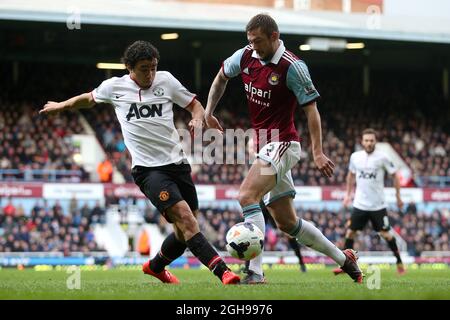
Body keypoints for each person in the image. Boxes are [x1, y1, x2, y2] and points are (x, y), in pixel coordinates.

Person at [39, 40, 240, 285]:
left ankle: (155, 267)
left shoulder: (166, 81)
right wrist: (61, 106)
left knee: (183, 230)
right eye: (144, 68)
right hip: (148, 171)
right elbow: (88, 99)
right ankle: (224, 272)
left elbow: (195, 105)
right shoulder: (114, 87)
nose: (150, 74)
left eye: (153, 67)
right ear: (129, 68)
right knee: (186, 220)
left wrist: (198, 119)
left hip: (177, 164)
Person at [205, 13, 362, 284]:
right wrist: (209, 112)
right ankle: (344, 259)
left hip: (283, 144)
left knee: (246, 196)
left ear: (274, 37)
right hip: (264, 146)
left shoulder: (293, 67)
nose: (253, 46)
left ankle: (254, 271)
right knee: (289, 224)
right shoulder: (244, 56)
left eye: (258, 41)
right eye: (250, 41)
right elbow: (221, 78)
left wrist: (318, 151)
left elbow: (312, 111)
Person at [334, 128, 406, 275]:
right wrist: (348, 195)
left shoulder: (383, 158)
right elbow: (350, 175)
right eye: (366, 140)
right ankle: (347, 266)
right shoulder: (355, 157)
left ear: (375, 142)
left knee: (387, 235)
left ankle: (399, 261)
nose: (368, 143)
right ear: (362, 141)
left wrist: (398, 196)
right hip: (360, 204)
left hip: (378, 206)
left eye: (371, 140)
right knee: (350, 233)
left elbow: (395, 176)